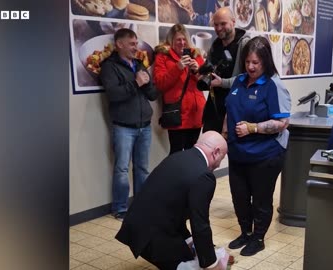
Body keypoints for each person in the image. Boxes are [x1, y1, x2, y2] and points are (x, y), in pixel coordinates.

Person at [115, 131, 229, 270]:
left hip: (135, 227)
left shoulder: (178, 157)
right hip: (152, 237)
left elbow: (174, 207)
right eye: (222, 157)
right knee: (187, 265)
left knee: (190, 253)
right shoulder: (204, 176)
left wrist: (191, 243)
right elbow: (200, 224)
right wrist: (212, 264)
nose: (219, 164)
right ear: (216, 152)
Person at [223, 36, 291, 256]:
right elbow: (229, 110)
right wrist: (224, 134)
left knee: (261, 199)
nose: (250, 67)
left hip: (265, 155)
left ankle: (258, 238)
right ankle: (245, 232)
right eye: (247, 62)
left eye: (256, 63)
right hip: (238, 153)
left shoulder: (273, 85)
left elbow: (282, 123)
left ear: (265, 62)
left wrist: (253, 128)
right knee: (239, 196)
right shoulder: (238, 81)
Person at [100, 28, 159, 221]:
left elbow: (152, 94)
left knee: (142, 168)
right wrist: (136, 83)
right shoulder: (109, 66)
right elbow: (114, 95)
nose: (136, 47)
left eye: (136, 43)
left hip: (144, 126)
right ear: (119, 44)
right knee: (122, 169)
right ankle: (120, 208)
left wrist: (147, 82)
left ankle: (141, 205)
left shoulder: (139, 63)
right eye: (132, 44)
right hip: (123, 127)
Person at [153, 24, 206, 155]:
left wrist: (197, 71)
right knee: (176, 154)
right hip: (177, 114)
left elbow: (206, 83)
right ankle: (175, 176)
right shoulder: (163, 57)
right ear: (172, 41)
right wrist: (178, 67)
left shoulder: (196, 55)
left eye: (184, 40)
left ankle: (190, 176)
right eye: (178, 40)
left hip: (196, 113)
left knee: (192, 153)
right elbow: (160, 84)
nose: (182, 43)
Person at [201, 7, 250, 133]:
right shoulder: (215, 45)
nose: (218, 28)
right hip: (214, 109)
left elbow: (248, 79)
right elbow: (209, 70)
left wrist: (222, 82)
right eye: (216, 25)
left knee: (232, 151)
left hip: (235, 110)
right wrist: (201, 71)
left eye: (223, 24)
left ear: (233, 22)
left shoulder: (245, 44)